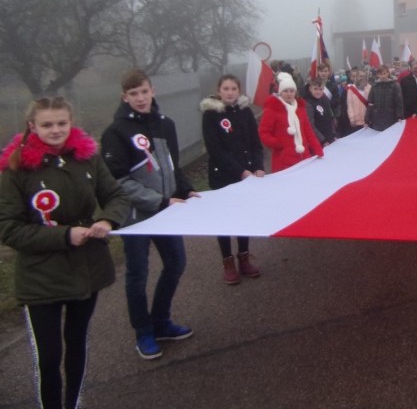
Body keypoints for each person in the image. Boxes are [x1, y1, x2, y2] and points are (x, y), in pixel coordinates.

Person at [0, 97, 130, 409]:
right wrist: (64, 235)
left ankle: (73, 402)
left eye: (62, 123)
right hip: (41, 277)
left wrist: (107, 218)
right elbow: (8, 227)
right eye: (47, 125)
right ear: (32, 126)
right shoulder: (15, 168)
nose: (56, 130)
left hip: (87, 269)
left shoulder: (87, 158)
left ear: (71, 123)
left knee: (76, 345)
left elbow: (115, 195)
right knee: (49, 357)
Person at [101, 69, 199, 360]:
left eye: (144, 91)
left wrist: (187, 189)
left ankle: (160, 321)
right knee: (137, 274)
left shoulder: (165, 124)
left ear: (152, 90)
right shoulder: (116, 132)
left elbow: (172, 165)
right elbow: (118, 180)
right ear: (125, 97)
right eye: (133, 94)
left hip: (165, 210)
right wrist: (158, 201)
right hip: (137, 216)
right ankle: (143, 331)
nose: (140, 98)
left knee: (176, 263)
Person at [200, 74, 265, 285]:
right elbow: (215, 150)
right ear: (219, 91)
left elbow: (255, 143)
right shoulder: (211, 115)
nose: (229, 92)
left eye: (233, 89)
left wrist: (258, 167)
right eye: (225, 88)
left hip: (246, 175)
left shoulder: (245, 112)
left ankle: (244, 258)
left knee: (244, 218)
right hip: (223, 176)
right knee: (225, 221)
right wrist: (241, 172)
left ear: (239, 91)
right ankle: (228, 262)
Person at [259, 72, 324, 172]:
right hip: (283, 160)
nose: (289, 94)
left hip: (304, 156)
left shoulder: (300, 108)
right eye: (285, 91)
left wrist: (317, 148)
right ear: (280, 92)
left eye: (291, 91)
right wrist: (278, 143)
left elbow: (308, 131)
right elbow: (263, 133)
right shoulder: (272, 109)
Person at [365, 64, 404, 131]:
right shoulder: (374, 86)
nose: (383, 76)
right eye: (380, 74)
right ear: (377, 75)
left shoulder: (395, 85)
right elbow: (370, 103)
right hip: (377, 118)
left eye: (384, 73)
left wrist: (399, 116)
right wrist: (367, 120)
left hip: (391, 118)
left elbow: (399, 102)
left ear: (388, 73)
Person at [304, 77, 337, 145]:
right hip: (319, 141)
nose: (318, 92)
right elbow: (311, 125)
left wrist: (333, 134)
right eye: (315, 89)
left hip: (329, 136)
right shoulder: (308, 104)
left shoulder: (324, 99)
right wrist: (323, 140)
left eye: (320, 89)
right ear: (310, 89)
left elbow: (330, 117)